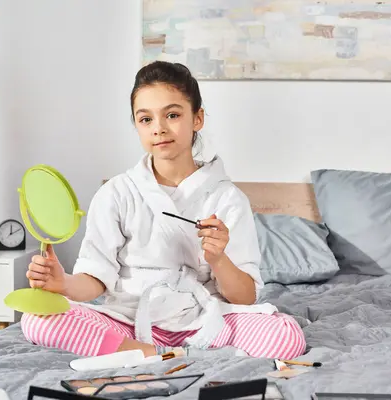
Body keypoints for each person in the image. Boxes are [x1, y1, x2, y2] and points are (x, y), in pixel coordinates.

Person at [21, 61, 306, 360]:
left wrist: (219, 259)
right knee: (37, 320)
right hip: (129, 321)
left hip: (206, 321)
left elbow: (245, 297)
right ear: (136, 125)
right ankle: (160, 355)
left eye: (172, 115)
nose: (159, 128)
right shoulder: (116, 193)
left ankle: (154, 354)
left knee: (285, 336)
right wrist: (63, 283)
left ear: (197, 118)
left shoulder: (227, 198)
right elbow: (95, 279)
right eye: (145, 119)